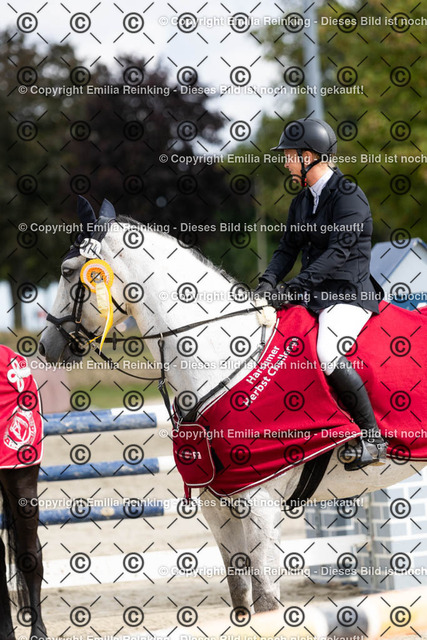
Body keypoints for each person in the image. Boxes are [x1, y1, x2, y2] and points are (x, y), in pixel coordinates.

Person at [254, 118, 387, 470]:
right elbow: (287, 249)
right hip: (314, 295)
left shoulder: (349, 196)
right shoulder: (302, 201)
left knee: (327, 352)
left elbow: (338, 254)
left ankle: (373, 440)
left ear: (309, 156)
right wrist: (268, 281)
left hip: (349, 295)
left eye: (289, 156)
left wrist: (293, 288)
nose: (286, 163)